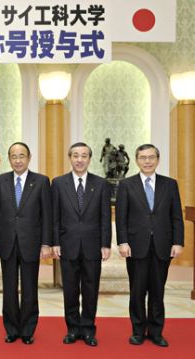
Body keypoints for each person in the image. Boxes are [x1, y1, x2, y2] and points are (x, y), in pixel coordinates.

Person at [115, 144, 184, 347]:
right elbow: (121, 217)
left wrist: (178, 242)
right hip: (135, 247)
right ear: (136, 160)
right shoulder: (127, 184)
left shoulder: (170, 184)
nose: (147, 161)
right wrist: (123, 241)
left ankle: (156, 331)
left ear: (157, 159)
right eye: (143, 157)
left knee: (157, 291)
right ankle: (137, 330)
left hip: (163, 246)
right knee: (137, 291)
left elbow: (176, 217)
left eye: (151, 157)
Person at [0, 142, 52, 344]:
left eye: (21, 156)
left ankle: (27, 330)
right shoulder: (0, 181)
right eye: (14, 156)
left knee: (29, 289)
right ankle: (11, 329)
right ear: (9, 159)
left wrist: (45, 243)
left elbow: (47, 216)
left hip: (31, 243)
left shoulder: (41, 181)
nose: (18, 160)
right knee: (8, 289)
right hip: (6, 243)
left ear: (29, 157)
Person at [51, 142, 112, 347]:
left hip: (93, 246)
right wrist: (55, 243)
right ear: (70, 158)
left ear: (89, 159)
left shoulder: (101, 183)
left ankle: (88, 329)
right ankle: (72, 329)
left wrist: (106, 244)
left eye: (84, 156)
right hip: (67, 245)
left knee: (90, 289)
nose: (79, 159)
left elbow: (105, 216)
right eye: (75, 155)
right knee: (69, 290)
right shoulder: (59, 183)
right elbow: (55, 217)